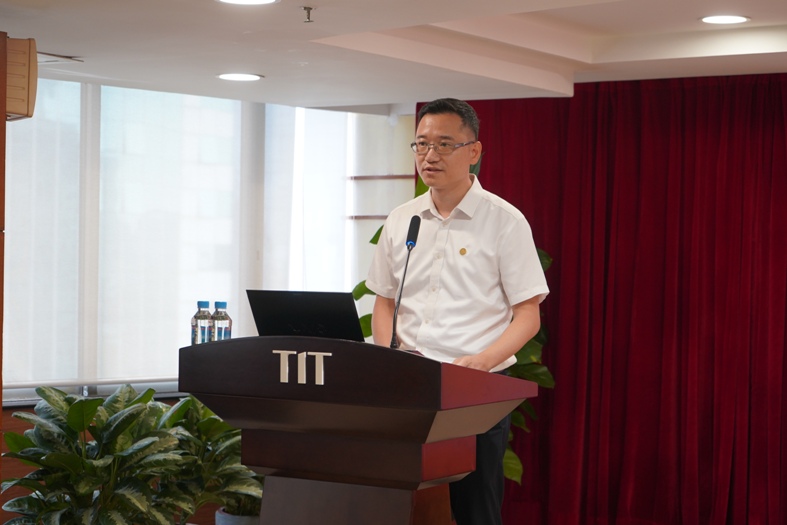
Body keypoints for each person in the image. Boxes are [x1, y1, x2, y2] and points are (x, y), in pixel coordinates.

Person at [365, 98, 549, 524]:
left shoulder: (505, 221)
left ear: (474, 151)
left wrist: (480, 363)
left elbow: (528, 314)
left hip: (475, 391)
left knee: (474, 509)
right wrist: (390, 356)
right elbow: (385, 301)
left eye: (444, 144)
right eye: (422, 144)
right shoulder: (402, 220)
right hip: (410, 385)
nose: (430, 155)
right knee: (393, 503)